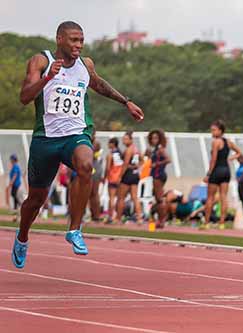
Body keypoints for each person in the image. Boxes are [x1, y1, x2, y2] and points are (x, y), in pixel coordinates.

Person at [12, 21, 144, 269]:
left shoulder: (86, 64)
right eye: (73, 40)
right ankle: (22, 237)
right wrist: (48, 77)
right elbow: (24, 97)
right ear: (59, 39)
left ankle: (75, 229)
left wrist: (126, 102)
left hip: (76, 134)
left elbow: (99, 84)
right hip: (46, 139)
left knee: (86, 165)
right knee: (35, 200)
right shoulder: (41, 61)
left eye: (81, 40)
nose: (78, 45)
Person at [200, 120, 241, 230]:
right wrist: (229, 159)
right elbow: (239, 152)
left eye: (214, 130)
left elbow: (213, 159)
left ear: (220, 130)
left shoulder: (216, 142)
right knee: (223, 197)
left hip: (217, 170)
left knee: (210, 198)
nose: (212, 132)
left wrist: (208, 174)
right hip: (226, 171)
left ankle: (207, 223)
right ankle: (222, 223)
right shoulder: (228, 142)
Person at [115, 131, 143, 224]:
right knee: (135, 197)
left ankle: (118, 218)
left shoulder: (128, 150)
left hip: (128, 174)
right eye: (123, 139)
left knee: (121, 197)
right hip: (135, 174)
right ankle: (139, 218)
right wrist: (138, 166)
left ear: (131, 140)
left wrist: (120, 177)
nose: (124, 141)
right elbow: (142, 159)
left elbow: (125, 164)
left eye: (126, 139)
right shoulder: (136, 149)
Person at [148, 129, 170, 203]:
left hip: (158, 174)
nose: (153, 140)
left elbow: (168, 160)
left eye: (156, 138)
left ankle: (165, 212)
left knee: (159, 198)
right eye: (152, 138)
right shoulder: (156, 149)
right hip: (156, 174)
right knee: (156, 195)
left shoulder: (160, 148)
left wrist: (157, 164)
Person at [104, 137, 123, 223]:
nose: (108, 145)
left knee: (111, 198)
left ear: (112, 144)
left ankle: (110, 216)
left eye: (109, 143)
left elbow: (107, 168)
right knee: (119, 198)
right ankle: (118, 217)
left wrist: (105, 177)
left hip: (112, 178)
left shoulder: (110, 155)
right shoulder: (120, 154)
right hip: (120, 178)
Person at [89, 131, 104, 221]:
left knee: (94, 193)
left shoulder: (96, 143)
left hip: (95, 168)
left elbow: (93, 155)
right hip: (90, 167)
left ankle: (96, 215)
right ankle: (92, 214)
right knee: (89, 193)